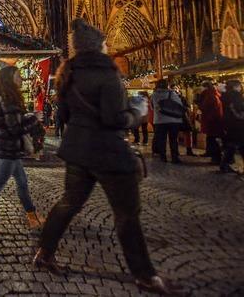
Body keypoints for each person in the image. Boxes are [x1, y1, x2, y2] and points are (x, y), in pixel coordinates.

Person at [33, 19, 180, 295]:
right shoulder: (107, 73)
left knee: (68, 203)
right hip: (108, 153)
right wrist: (137, 110)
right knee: (127, 214)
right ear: (97, 47)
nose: (107, 46)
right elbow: (115, 119)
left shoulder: (67, 74)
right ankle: (145, 275)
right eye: (104, 43)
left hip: (78, 151)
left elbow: (63, 115)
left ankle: (44, 252)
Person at [0, 66, 46, 236]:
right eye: (18, 75)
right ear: (9, 79)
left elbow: (7, 123)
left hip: (8, 148)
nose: (21, 78)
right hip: (8, 149)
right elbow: (15, 128)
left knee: (22, 182)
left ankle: (32, 215)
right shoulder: (8, 99)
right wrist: (34, 118)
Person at [151, 80, 184, 163]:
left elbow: (152, 107)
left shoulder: (154, 95)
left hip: (160, 120)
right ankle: (174, 157)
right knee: (173, 139)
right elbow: (180, 105)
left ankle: (163, 157)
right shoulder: (172, 94)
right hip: (173, 120)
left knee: (162, 140)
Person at [220, 79, 244, 173]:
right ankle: (224, 164)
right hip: (238, 124)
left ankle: (224, 165)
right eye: (239, 86)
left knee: (233, 144)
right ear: (235, 87)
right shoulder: (236, 96)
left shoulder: (226, 96)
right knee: (238, 144)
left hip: (230, 123)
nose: (240, 88)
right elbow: (239, 109)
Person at [197, 81, 224, 164]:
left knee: (213, 139)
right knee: (211, 138)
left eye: (201, 87)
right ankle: (212, 155)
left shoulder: (210, 96)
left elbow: (206, 107)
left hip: (212, 121)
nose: (200, 88)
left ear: (205, 87)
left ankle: (216, 158)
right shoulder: (212, 94)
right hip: (213, 121)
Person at [172, 84, 195, 157]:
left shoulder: (182, 98)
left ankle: (189, 150)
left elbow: (187, 107)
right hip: (175, 118)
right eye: (173, 89)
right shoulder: (172, 98)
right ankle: (176, 151)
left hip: (182, 118)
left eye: (176, 88)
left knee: (187, 133)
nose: (175, 90)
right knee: (175, 135)